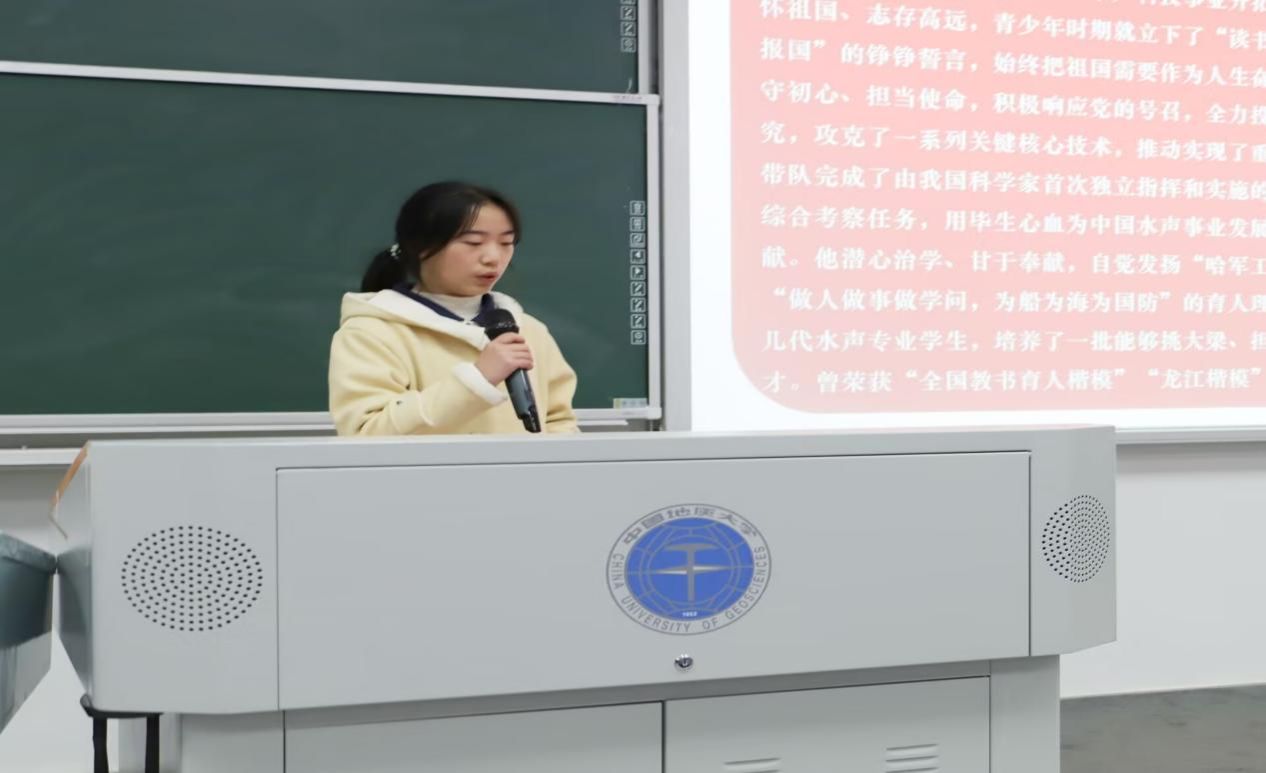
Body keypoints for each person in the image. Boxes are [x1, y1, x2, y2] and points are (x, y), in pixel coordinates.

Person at [328, 181, 578, 436]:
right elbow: (367, 434)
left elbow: (559, 422)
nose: (493, 258)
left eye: (506, 242)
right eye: (473, 242)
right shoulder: (371, 332)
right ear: (421, 247)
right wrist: (478, 379)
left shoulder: (527, 329)